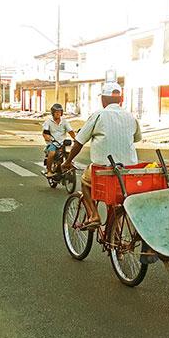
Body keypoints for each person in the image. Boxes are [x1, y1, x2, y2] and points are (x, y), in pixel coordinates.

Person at [62, 82, 141, 229]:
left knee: (85, 183)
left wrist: (68, 161)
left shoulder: (98, 115)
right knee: (116, 195)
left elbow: (79, 142)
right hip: (128, 170)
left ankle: (94, 215)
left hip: (104, 169)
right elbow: (136, 138)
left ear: (103, 100)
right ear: (120, 100)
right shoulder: (131, 117)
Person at [42, 103, 76, 177]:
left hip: (63, 143)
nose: (58, 114)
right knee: (52, 153)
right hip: (52, 143)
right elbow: (45, 133)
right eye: (56, 112)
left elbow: (71, 132)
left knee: (70, 152)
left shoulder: (64, 122)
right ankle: (49, 171)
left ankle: (69, 164)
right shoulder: (48, 121)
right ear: (53, 113)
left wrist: (76, 139)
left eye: (59, 112)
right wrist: (48, 138)